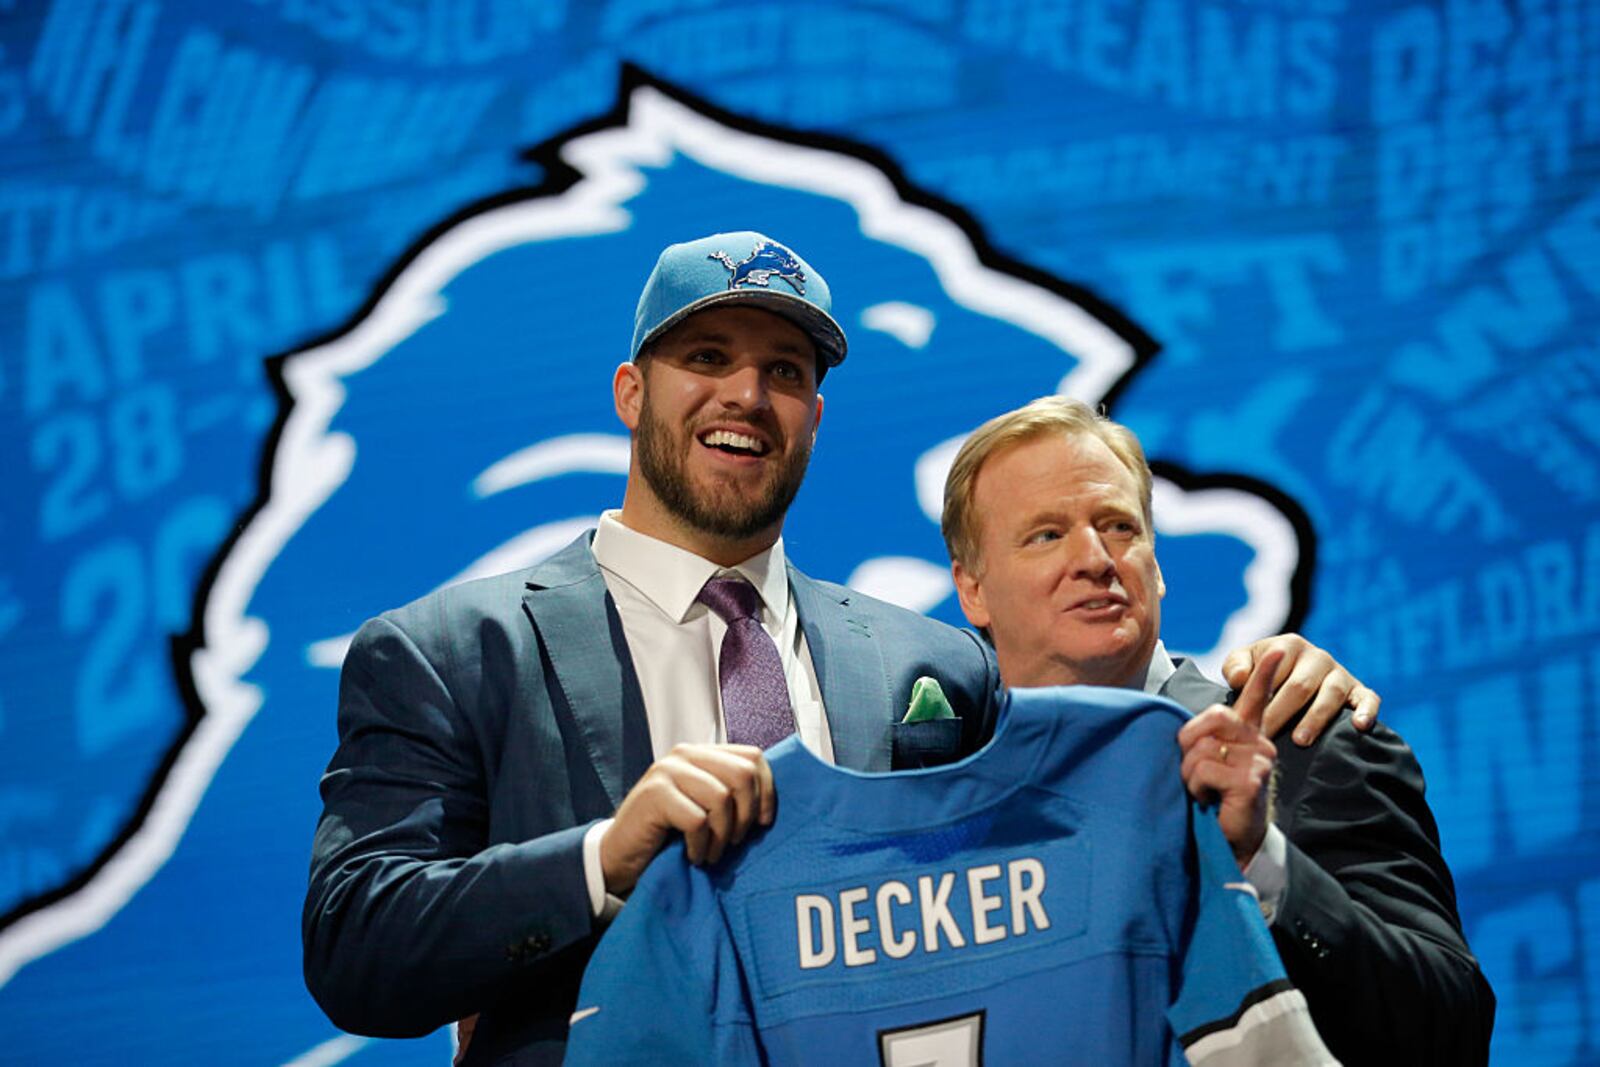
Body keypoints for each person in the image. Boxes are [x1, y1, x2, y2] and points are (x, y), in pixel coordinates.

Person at [303, 233, 1374, 1065]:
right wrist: (603, 858)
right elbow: (357, 946)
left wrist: (1243, 691)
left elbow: (1072, 831)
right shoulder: (449, 650)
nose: (746, 395)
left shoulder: (935, 667)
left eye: (783, 369)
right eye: (706, 356)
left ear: (814, 414)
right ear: (633, 392)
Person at [941, 395, 1496, 1066]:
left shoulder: (1310, 737)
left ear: (1156, 562)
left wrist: (1258, 863)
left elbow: (1449, 1027)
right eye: (1046, 534)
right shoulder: (943, 802)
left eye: (1118, 525)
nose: (1095, 558)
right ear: (972, 589)